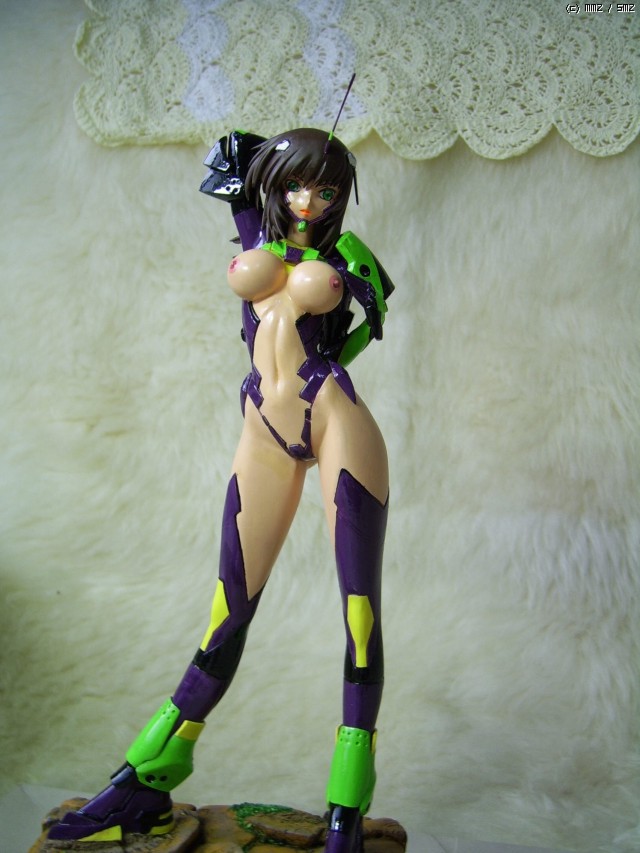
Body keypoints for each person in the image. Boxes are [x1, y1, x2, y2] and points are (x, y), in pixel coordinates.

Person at [48, 127, 394, 853]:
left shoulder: (348, 254)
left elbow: (377, 315)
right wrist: (249, 160)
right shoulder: (255, 229)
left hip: (334, 417)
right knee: (226, 612)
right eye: (295, 184)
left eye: (325, 188)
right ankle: (146, 776)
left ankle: (346, 809)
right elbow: (234, 168)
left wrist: (338, 357)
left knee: (358, 614)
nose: (308, 200)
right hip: (262, 424)